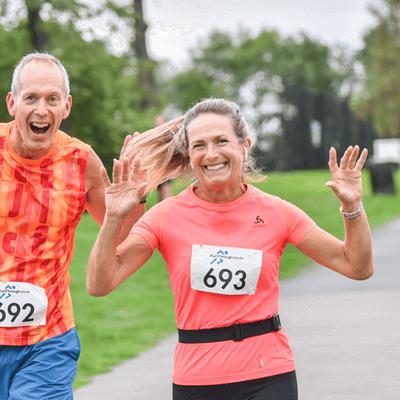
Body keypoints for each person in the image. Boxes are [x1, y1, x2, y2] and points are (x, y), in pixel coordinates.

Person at [86, 98, 373, 400]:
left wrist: (352, 207)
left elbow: (356, 265)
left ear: (244, 145)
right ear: (189, 154)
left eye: (221, 141)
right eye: (199, 145)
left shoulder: (276, 212)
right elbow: (99, 283)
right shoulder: (166, 216)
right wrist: (114, 217)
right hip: (196, 378)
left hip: (268, 374)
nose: (211, 154)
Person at [0, 52, 144, 400]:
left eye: (52, 99)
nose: (41, 109)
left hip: (48, 339)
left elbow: (122, 236)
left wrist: (135, 199)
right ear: (12, 103)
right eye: (30, 98)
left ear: (66, 106)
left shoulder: (82, 162)